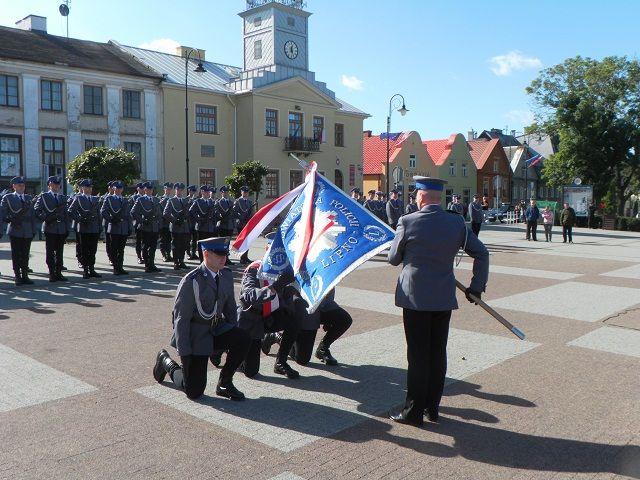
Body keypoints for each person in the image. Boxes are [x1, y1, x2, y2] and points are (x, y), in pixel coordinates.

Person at [387, 176, 489, 427]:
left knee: (418, 356)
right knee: (437, 354)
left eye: (415, 195)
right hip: (443, 298)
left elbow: (393, 259)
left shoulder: (407, 221)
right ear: (439, 197)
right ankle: (432, 409)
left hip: (415, 299)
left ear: (420, 196)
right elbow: (482, 253)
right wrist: (476, 287)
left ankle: (413, 412)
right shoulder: (455, 223)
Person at [152, 237, 251, 401]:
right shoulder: (192, 281)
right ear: (206, 254)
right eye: (218, 254)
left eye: (224, 254)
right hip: (196, 335)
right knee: (194, 391)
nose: (223, 258)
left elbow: (231, 309)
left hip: (216, 329)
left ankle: (225, 383)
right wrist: (184, 352)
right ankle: (165, 361)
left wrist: (229, 340)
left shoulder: (225, 275)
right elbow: (180, 319)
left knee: (243, 338)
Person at [237, 233, 301, 379]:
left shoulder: (284, 270)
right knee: (251, 371)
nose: (280, 258)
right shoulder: (255, 268)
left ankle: (281, 362)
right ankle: (226, 349)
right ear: (267, 249)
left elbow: (286, 296)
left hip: (270, 316)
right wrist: (275, 286)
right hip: (252, 319)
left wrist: (293, 289)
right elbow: (248, 296)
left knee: (294, 320)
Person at [290, 288, 353, 367]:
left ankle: (323, 348)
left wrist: (328, 316)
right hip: (304, 310)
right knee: (302, 359)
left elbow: (328, 286)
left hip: (322, 305)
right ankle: (276, 336)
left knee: (344, 319)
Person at [0, 176, 37, 285]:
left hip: (27, 230)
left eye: (23, 185)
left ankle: (25, 275)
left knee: (25, 254)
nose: (22, 187)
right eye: (19, 185)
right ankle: (17, 275)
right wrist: (8, 220)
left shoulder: (28, 198)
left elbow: (33, 216)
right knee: (16, 254)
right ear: (14, 186)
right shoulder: (8, 197)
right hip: (15, 229)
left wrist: (34, 230)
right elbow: (3, 212)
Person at [34, 176, 69, 282]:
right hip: (50, 227)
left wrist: (67, 228)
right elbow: (37, 209)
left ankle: (58, 272)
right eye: (54, 184)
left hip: (61, 228)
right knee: (50, 252)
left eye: (58, 184)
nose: (57, 186)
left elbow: (66, 214)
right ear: (49, 185)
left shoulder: (63, 198)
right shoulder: (44, 196)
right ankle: (51, 273)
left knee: (60, 252)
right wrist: (45, 218)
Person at [68, 179, 102, 279]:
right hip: (83, 227)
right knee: (84, 249)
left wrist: (99, 227)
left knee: (93, 249)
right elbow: (71, 211)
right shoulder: (78, 198)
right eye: (87, 187)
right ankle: (85, 270)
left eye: (90, 187)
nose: (89, 189)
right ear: (82, 188)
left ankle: (92, 268)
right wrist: (80, 219)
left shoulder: (95, 199)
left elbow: (98, 215)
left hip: (94, 228)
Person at [101, 180, 132, 275]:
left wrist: (129, 227)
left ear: (122, 189)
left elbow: (128, 215)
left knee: (121, 249)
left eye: (120, 188)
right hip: (114, 227)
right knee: (114, 248)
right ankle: (115, 267)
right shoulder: (109, 199)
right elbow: (103, 211)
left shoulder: (125, 200)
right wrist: (111, 219)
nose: (118, 190)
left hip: (123, 228)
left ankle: (120, 267)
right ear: (113, 188)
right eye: (117, 188)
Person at [131, 182, 162, 273]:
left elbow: (159, 213)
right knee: (145, 246)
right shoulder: (140, 199)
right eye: (148, 189)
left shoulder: (156, 199)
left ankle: (152, 264)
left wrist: (158, 224)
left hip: (154, 227)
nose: (150, 191)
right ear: (144, 190)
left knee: (153, 246)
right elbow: (133, 212)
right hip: (145, 226)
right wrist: (142, 221)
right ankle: (147, 265)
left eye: (151, 189)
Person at [163, 182, 191, 270]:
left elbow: (188, 213)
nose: (179, 191)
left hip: (184, 226)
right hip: (176, 226)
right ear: (175, 190)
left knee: (184, 244)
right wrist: (175, 221)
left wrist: (185, 217)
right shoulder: (171, 200)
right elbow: (166, 213)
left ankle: (181, 261)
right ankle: (176, 262)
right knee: (175, 245)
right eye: (177, 189)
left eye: (181, 190)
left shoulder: (185, 201)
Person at [189, 185, 218, 262]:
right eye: (206, 191)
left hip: (210, 227)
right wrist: (199, 219)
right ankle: (202, 261)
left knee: (210, 245)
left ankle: (209, 261)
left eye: (208, 191)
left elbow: (215, 214)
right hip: (201, 227)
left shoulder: (211, 202)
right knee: (201, 245)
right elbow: (191, 211)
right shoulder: (198, 201)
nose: (208, 193)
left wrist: (214, 223)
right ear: (202, 192)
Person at [233, 186, 254, 265]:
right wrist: (241, 217)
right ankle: (242, 258)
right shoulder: (237, 201)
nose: (245, 193)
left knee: (247, 241)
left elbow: (252, 212)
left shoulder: (249, 202)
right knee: (242, 241)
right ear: (241, 192)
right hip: (241, 223)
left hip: (247, 223)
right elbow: (235, 211)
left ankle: (246, 257)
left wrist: (250, 218)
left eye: (247, 192)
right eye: (244, 192)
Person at [216, 185, 235, 265]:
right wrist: (221, 217)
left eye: (227, 192)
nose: (226, 193)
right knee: (222, 243)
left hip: (229, 226)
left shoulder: (231, 202)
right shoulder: (219, 202)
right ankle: (221, 259)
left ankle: (226, 258)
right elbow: (216, 212)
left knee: (227, 243)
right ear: (221, 193)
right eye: (224, 192)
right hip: (222, 225)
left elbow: (233, 214)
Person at [158, 182, 174, 262]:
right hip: (163, 223)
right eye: (167, 189)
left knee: (168, 240)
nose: (168, 190)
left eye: (170, 189)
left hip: (169, 223)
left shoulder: (172, 199)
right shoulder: (160, 198)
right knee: (163, 240)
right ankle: (164, 255)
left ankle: (168, 254)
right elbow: (159, 211)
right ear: (164, 189)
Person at [129, 182, 145, 265]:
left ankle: (145, 256)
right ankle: (139, 256)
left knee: (145, 241)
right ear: (138, 188)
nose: (142, 189)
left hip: (146, 222)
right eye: (141, 188)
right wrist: (138, 220)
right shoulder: (134, 197)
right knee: (139, 241)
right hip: (138, 222)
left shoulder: (146, 198)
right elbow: (132, 211)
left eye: (143, 188)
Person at [186, 185, 200, 260]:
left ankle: (193, 253)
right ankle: (188, 253)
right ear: (189, 191)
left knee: (195, 239)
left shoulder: (197, 200)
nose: (193, 192)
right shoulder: (186, 199)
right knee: (188, 239)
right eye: (192, 191)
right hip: (188, 222)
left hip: (195, 222)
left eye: (194, 191)